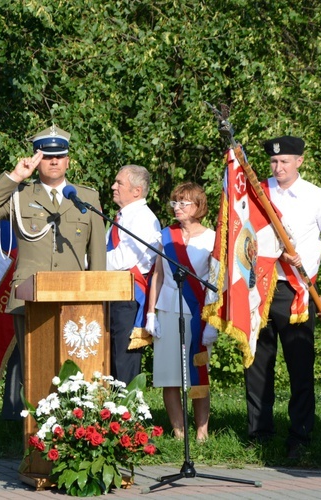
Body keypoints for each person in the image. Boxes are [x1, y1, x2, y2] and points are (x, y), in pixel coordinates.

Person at [0, 125, 106, 401]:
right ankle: (38, 436)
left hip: (75, 297)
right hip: (29, 299)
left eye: (60, 156)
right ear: (35, 159)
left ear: (68, 160)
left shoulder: (87, 198)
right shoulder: (20, 195)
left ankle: (74, 430)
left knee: (78, 366)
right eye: (46, 156)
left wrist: (97, 299)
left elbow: (98, 256)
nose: (54, 161)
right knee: (36, 368)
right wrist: (15, 176)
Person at [244, 135, 321, 459]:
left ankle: (300, 437)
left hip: (298, 292)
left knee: (300, 367)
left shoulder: (317, 197)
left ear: (299, 161)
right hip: (260, 288)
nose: (278, 167)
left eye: (285, 161)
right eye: (274, 162)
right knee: (257, 364)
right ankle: (259, 434)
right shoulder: (256, 193)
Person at [146, 183, 216, 441]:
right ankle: (178, 432)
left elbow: (216, 282)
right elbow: (158, 276)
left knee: (197, 375)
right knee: (169, 375)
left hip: (197, 314)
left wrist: (213, 321)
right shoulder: (166, 235)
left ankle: (201, 433)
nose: (177, 208)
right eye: (175, 202)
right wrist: (151, 314)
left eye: (184, 203)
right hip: (166, 309)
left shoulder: (211, 238)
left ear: (198, 207)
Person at [107, 165, 161, 384]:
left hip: (128, 296)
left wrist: (88, 263)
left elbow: (122, 260)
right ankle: (107, 414)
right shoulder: (123, 216)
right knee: (108, 360)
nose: (113, 187)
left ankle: (126, 414)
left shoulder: (143, 219)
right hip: (111, 292)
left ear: (137, 191)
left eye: (119, 183)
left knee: (123, 363)